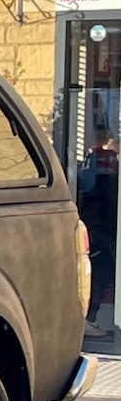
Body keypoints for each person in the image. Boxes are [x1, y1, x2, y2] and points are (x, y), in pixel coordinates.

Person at [81, 124, 118, 337]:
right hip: (98, 223)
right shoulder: (102, 158)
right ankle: (88, 317)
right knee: (101, 267)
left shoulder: (95, 158)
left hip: (98, 222)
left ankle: (90, 317)